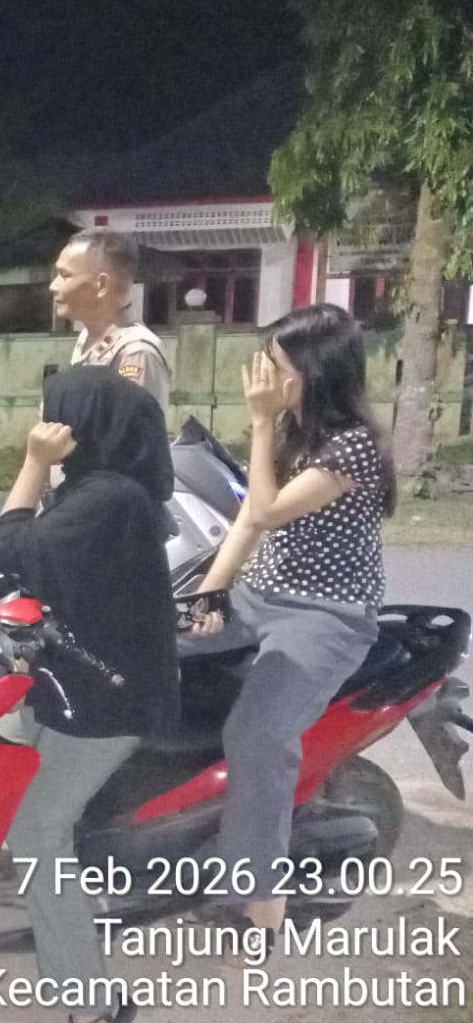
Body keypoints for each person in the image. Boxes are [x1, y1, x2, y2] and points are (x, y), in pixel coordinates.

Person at [0, 366, 178, 1023]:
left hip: (107, 700)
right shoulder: (101, 488)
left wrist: (33, 464)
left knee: (36, 833)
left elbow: (11, 551)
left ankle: (94, 1008)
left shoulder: (109, 498)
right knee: (7, 779)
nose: (45, 426)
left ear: (86, 426)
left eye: (56, 415)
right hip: (72, 680)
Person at [184, 304, 393, 940]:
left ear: (314, 371)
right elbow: (247, 522)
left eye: (274, 365)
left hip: (326, 615)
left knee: (257, 734)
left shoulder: (352, 446)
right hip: (259, 595)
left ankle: (259, 905)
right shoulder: (293, 432)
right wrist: (210, 593)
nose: (262, 376)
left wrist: (257, 422)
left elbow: (267, 511)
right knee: (143, 652)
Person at [51, 228, 172, 407]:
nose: (53, 286)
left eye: (65, 275)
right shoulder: (88, 337)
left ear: (102, 285)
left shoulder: (135, 352)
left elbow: (132, 424)